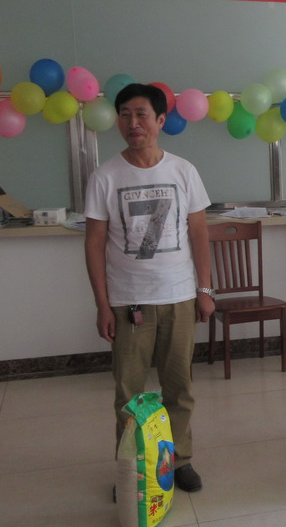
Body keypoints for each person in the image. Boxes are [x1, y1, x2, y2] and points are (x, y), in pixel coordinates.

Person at [84, 83, 214, 492]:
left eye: (141, 114)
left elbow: (199, 233)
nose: (132, 123)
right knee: (129, 393)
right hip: (128, 301)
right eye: (125, 114)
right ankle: (132, 469)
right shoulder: (105, 176)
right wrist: (102, 304)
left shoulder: (183, 171)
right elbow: (94, 243)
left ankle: (180, 461)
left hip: (179, 296)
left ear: (160, 120)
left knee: (180, 388)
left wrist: (205, 290)